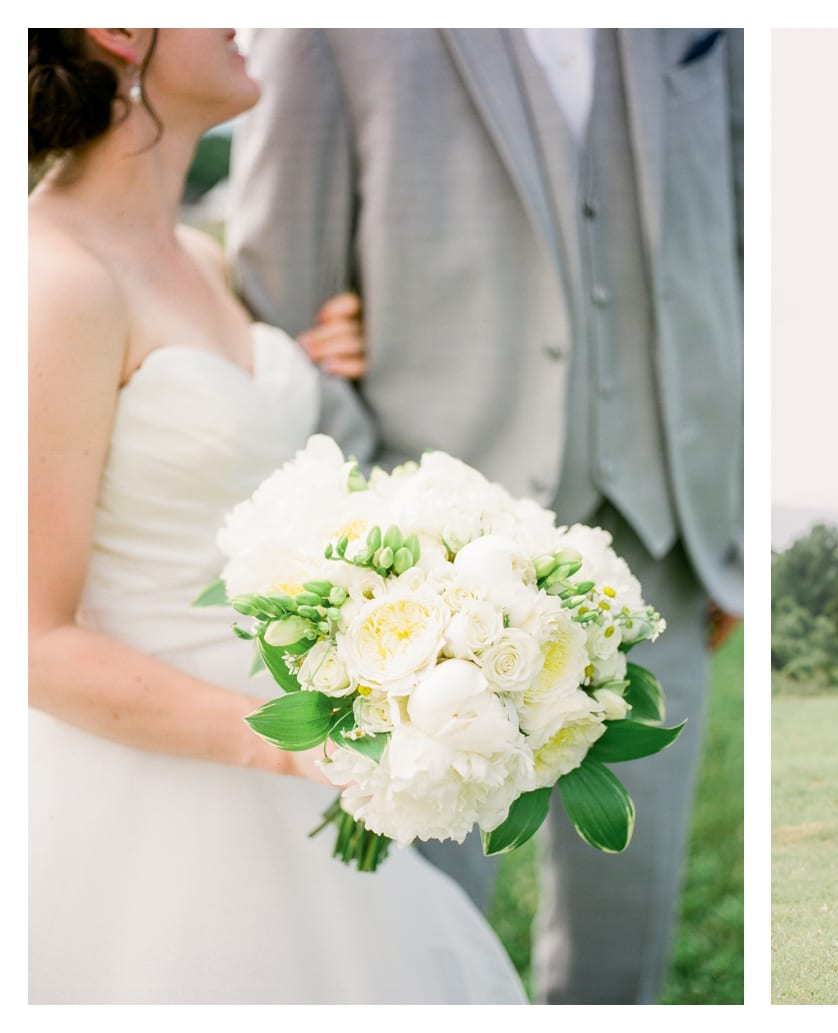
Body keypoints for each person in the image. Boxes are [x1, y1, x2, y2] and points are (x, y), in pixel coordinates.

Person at [225, 28, 744, 1005]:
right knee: (418, 909)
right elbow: (278, 302)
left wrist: (730, 508)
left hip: (658, 530)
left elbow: (745, 256)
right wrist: (374, 514)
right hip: (417, 555)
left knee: (627, 911)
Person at [27, 28, 526, 1004]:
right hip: (159, 792)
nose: (243, 19)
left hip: (285, 767)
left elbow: (197, 448)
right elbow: (32, 639)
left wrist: (299, 367)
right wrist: (297, 740)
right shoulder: (54, 281)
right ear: (121, 30)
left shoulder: (201, 267)